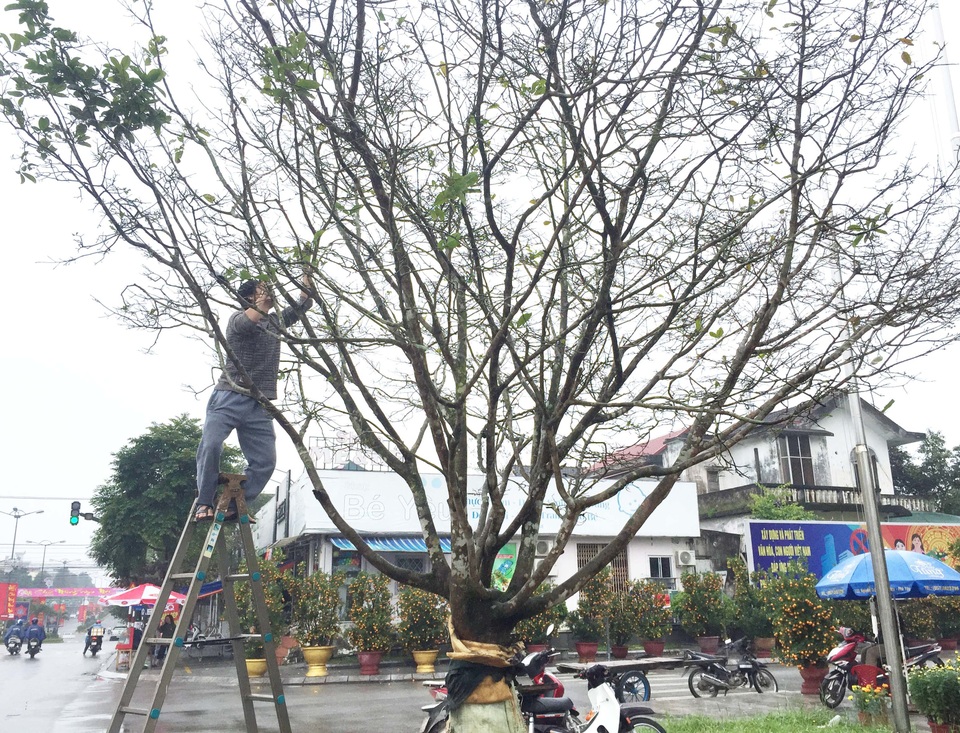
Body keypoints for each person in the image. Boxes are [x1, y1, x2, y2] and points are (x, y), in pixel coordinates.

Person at [194, 275, 312, 522]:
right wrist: (263, 305)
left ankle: (235, 503)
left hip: (259, 403)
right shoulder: (237, 319)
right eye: (262, 289)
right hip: (229, 396)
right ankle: (204, 502)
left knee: (265, 461)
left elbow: (300, 307)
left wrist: (306, 284)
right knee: (211, 445)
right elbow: (249, 323)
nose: (269, 291)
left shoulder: (274, 322)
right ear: (250, 297)